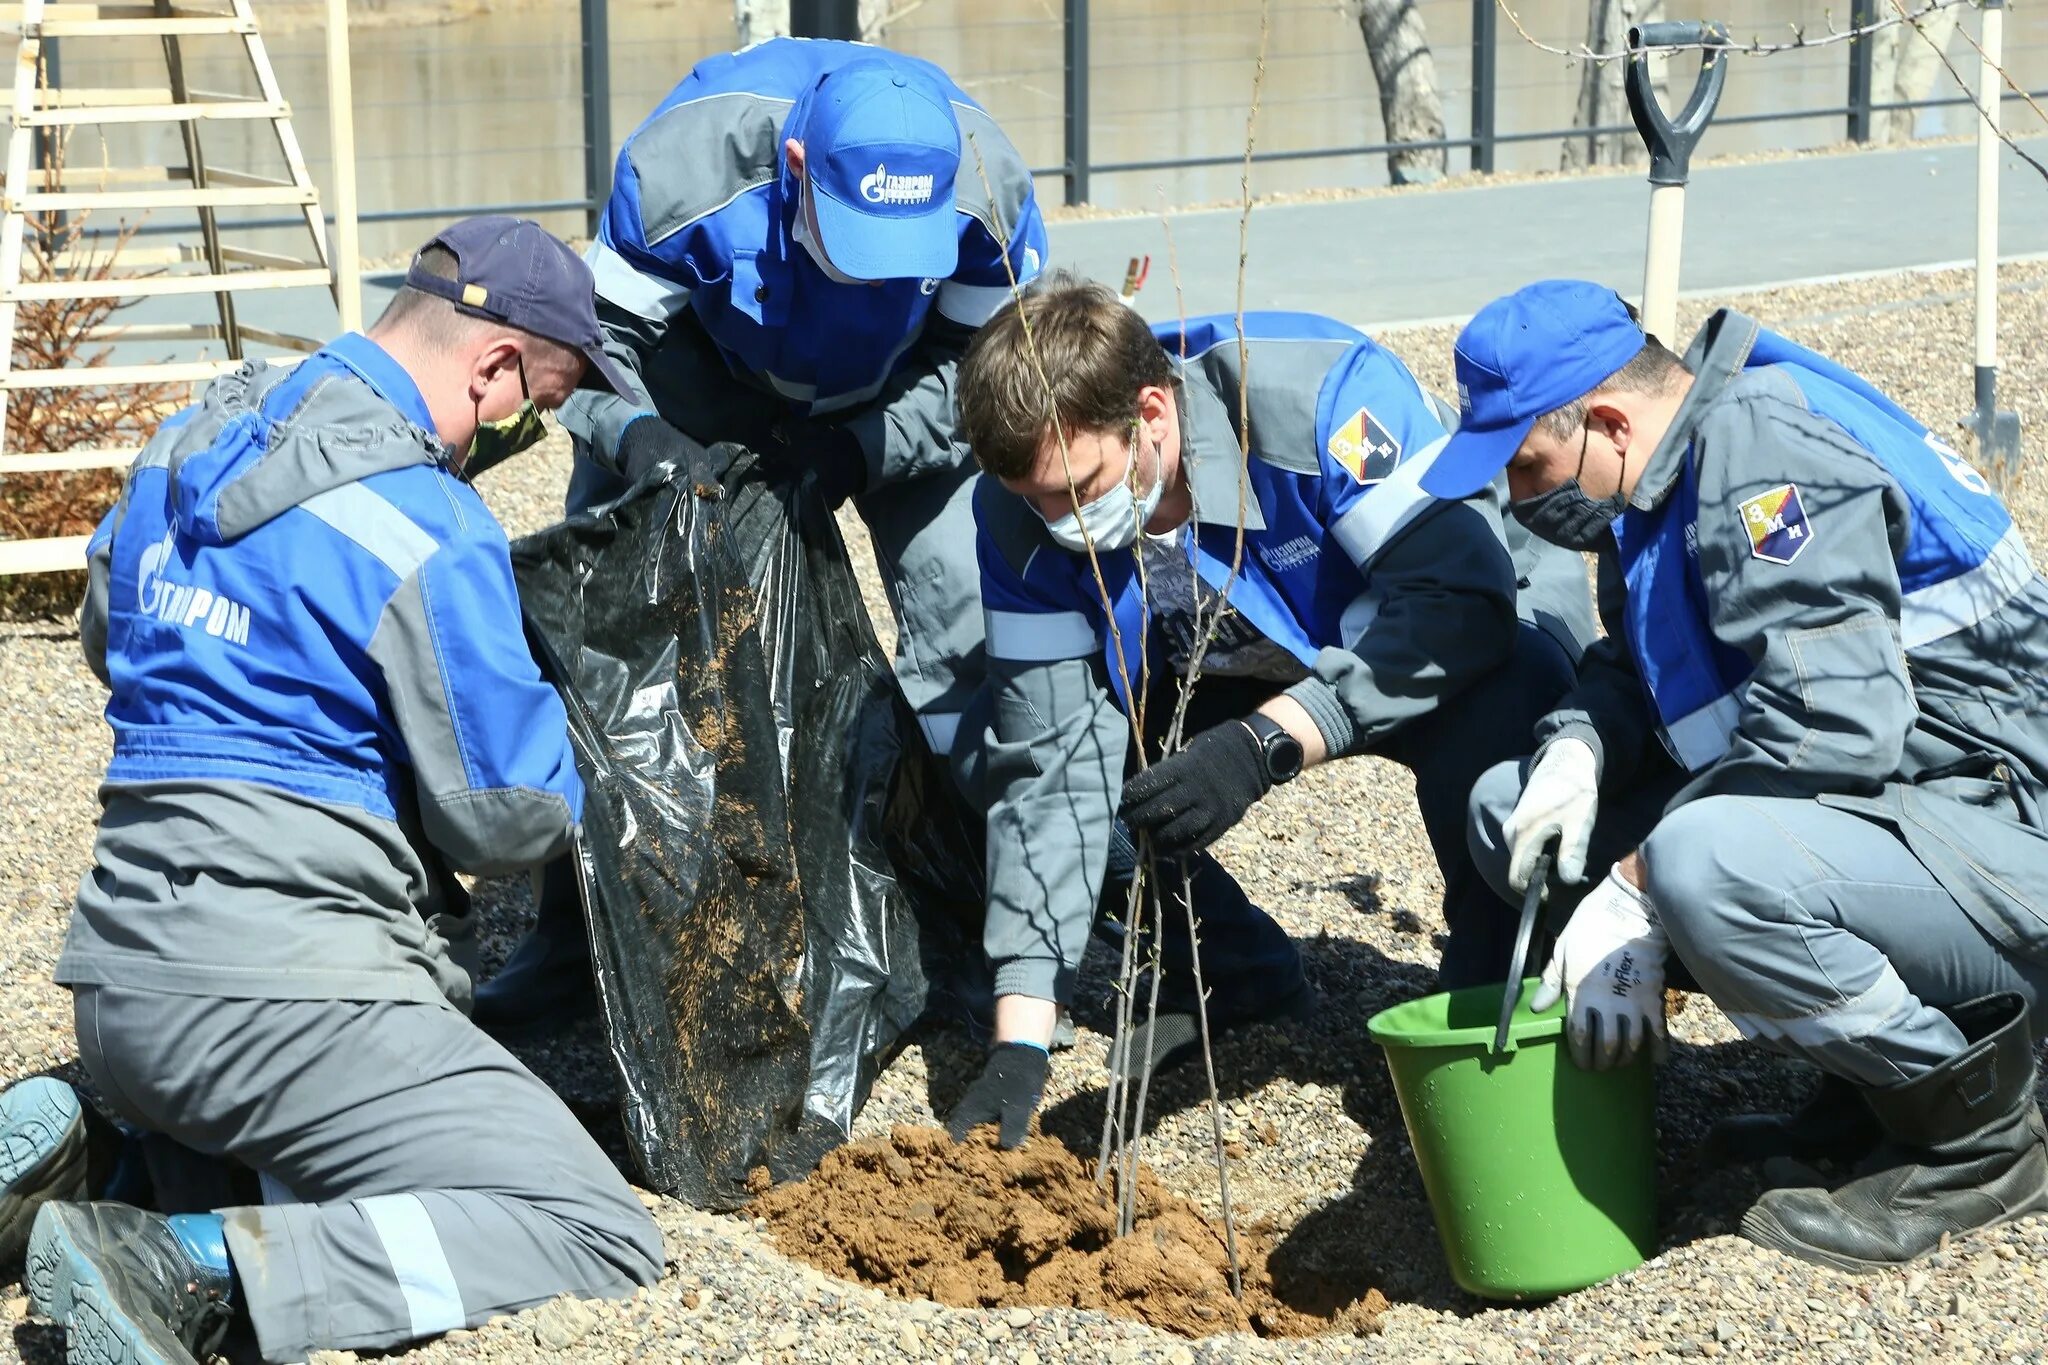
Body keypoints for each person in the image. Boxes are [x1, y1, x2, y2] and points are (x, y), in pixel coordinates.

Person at [21, 217, 666, 1365]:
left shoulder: (194, 432)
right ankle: (193, 1266)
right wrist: (566, 736)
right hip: (281, 1010)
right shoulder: (425, 521)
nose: (526, 430)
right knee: (590, 1226)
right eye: (543, 400)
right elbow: (506, 819)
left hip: (118, 984)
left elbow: (106, 634)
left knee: (279, 1138)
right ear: (494, 367)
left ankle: (103, 1159)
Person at [1433, 278, 2048, 1272]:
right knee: (1514, 814)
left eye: (1524, 462)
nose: (1515, 499)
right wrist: (1574, 747)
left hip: (2010, 846)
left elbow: (1832, 726)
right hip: (1918, 830)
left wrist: (1633, 887)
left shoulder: (1764, 455)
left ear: (1602, 421)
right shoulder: (1667, 466)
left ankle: (1976, 1140)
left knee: (1701, 864)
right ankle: (1863, 1095)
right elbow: (1645, 664)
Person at [476, 36, 1047, 1033]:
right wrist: (639, 435)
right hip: (704, 371)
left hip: (908, 384)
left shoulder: (986, 193)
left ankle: (990, 935)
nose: (872, 282)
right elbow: (589, 353)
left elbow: (983, 379)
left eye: (893, 262)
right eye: (855, 248)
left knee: (974, 623)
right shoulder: (682, 172)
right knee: (609, 635)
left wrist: (862, 451)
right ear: (793, 172)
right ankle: (576, 941)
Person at [942, 274, 1587, 1147]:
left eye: (1079, 486)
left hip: (1437, 632)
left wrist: (1262, 746)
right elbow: (1047, 759)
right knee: (1017, 760)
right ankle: (1233, 975)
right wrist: (1020, 1039)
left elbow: (1456, 607)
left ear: (1153, 414)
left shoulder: (1319, 400)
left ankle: (1496, 999)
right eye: (1036, 500)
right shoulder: (1020, 510)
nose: (1061, 522)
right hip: (1219, 649)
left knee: (1509, 721)